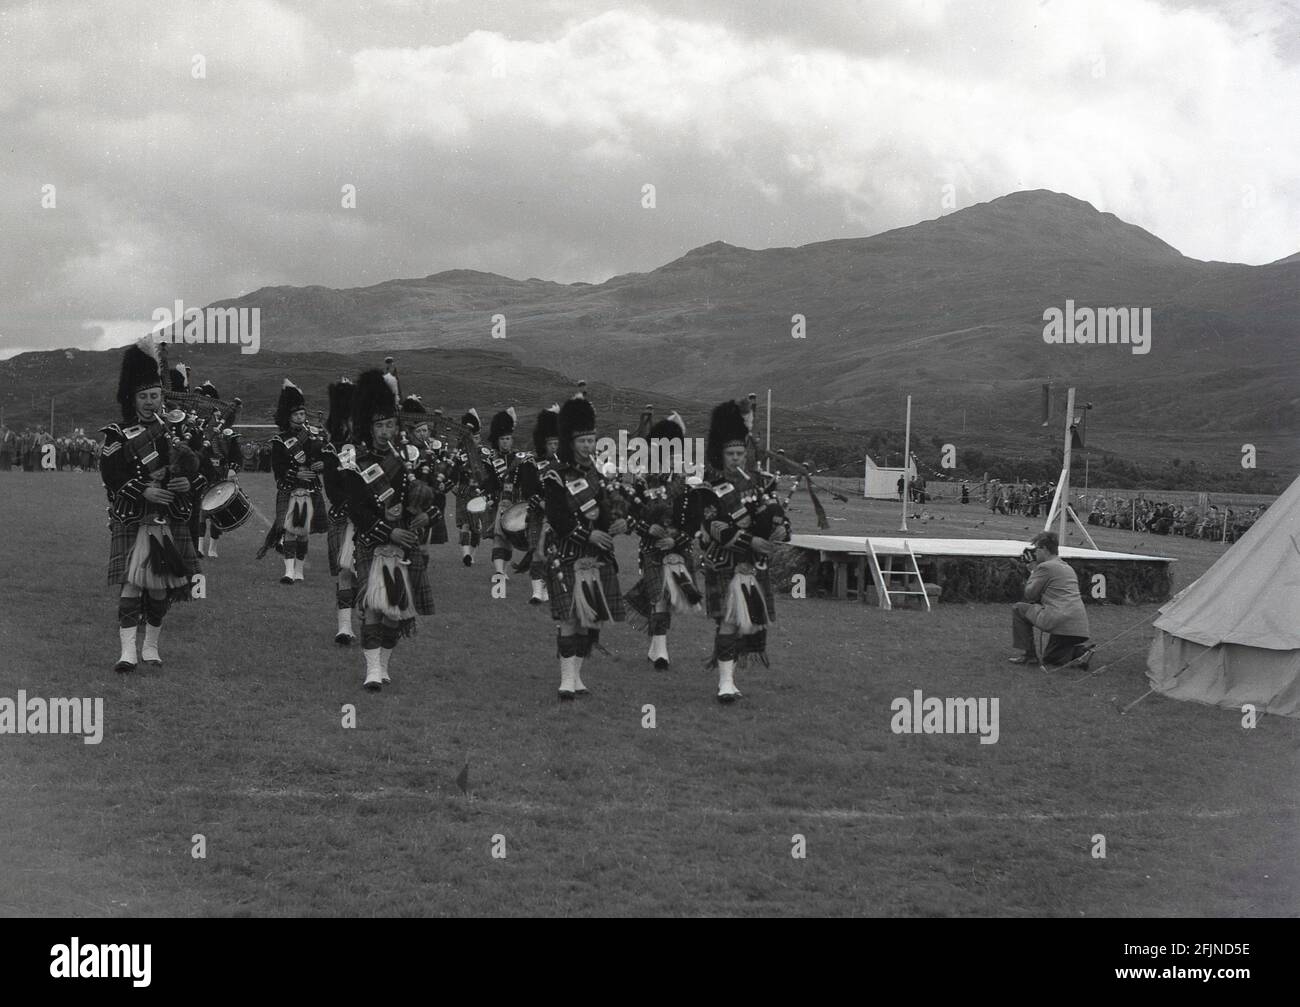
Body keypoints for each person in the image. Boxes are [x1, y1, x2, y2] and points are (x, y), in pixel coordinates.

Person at [100, 337, 214, 673]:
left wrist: (187, 483)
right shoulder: (118, 434)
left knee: (161, 588)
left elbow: (203, 472)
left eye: (155, 396)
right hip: (135, 516)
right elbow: (111, 474)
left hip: (168, 519)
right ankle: (127, 652)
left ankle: (150, 646)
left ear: (162, 396)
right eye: (144, 396)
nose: (150, 402)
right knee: (132, 584)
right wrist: (143, 491)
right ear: (131, 398)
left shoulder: (177, 431)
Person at [339, 370, 438, 691]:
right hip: (372, 540)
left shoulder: (408, 459)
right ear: (370, 426)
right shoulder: (356, 459)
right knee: (372, 606)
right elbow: (356, 507)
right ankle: (371, 671)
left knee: (394, 611)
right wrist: (386, 530)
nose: (385, 431)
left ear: (397, 426)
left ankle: (383, 665)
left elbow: (427, 498)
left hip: (406, 542)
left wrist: (426, 516)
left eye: (390, 425)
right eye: (379, 426)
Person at [695, 399, 790, 702]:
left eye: (740, 453)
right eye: (730, 454)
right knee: (728, 620)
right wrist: (751, 542)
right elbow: (715, 527)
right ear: (720, 455)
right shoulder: (709, 486)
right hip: (724, 562)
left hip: (754, 565)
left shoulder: (762, 483)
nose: (736, 459)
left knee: (743, 622)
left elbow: (779, 516)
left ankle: (731, 679)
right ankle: (724, 682)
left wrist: (781, 529)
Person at [542, 394, 627, 699]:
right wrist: (586, 535)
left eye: (592, 440)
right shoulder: (555, 475)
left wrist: (619, 522)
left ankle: (577, 676)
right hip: (567, 552)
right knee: (569, 617)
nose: (589, 446)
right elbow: (557, 516)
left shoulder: (602, 473)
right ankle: (566, 680)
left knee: (587, 619)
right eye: (583, 441)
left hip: (597, 557)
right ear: (571, 442)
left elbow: (609, 512)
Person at [624, 411, 699, 671]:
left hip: (679, 547)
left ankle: (656, 646)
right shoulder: (643, 479)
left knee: (668, 599)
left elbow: (694, 518)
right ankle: (661, 652)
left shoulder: (687, 479)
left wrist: (676, 538)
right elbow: (630, 514)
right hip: (651, 546)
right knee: (659, 596)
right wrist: (649, 529)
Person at [258, 379, 328, 583]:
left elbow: (323, 457)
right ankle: (288, 571)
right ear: (288, 417)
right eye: (297, 414)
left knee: (304, 532)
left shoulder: (314, 437)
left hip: (310, 488)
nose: (301, 417)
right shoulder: (280, 440)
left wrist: (322, 464)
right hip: (290, 488)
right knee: (289, 530)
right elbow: (277, 467)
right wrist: (295, 474)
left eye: (303, 414)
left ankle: (299, 571)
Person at [1008, 531, 1092, 668]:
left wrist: (1032, 571)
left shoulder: (1045, 567)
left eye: (1037, 549)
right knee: (1051, 659)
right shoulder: (1066, 567)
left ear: (1045, 549)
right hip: (1079, 625)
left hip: (1058, 619)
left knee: (1019, 609)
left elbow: (1030, 594)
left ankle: (1029, 656)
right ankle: (1079, 652)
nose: (1035, 553)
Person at [321, 378, 357, 644]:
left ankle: (369, 625)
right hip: (344, 515)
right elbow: (332, 484)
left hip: (369, 517)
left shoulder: (370, 445)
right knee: (345, 571)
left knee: (366, 573)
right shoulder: (332, 448)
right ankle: (344, 626)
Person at [514, 404, 560, 604]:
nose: (555, 447)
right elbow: (528, 490)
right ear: (543, 443)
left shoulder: (564, 464)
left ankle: (547, 588)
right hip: (537, 513)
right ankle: (536, 592)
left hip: (557, 516)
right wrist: (541, 503)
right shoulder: (530, 463)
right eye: (551, 444)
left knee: (553, 553)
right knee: (536, 552)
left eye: (557, 443)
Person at [452, 408, 491, 566]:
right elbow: (453, 472)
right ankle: (466, 554)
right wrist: (453, 485)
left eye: (475, 437)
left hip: (479, 493)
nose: (473, 440)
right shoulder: (460, 454)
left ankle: (472, 555)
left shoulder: (485, 453)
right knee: (465, 524)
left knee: (477, 527)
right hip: (463, 491)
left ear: (479, 437)